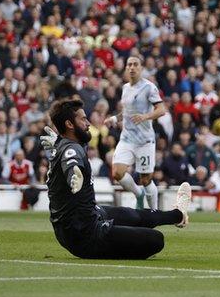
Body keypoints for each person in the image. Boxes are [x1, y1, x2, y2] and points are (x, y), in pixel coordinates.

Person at [40, 99, 190, 259]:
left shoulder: (66, 143)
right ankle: (129, 246)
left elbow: (68, 153)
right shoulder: (71, 149)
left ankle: (179, 214)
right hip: (85, 234)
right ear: (70, 125)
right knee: (156, 239)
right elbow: (72, 163)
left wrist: (58, 142)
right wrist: (73, 176)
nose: (88, 123)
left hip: (80, 221)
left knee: (134, 215)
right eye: (83, 119)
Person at [103, 56, 166, 209]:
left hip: (144, 141)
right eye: (129, 64)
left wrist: (145, 116)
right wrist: (114, 119)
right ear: (126, 68)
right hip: (127, 139)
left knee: (146, 180)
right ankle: (139, 194)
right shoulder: (125, 88)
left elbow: (161, 110)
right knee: (117, 172)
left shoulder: (149, 87)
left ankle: (153, 212)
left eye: (135, 64)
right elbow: (126, 112)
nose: (132, 67)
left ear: (141, 68)